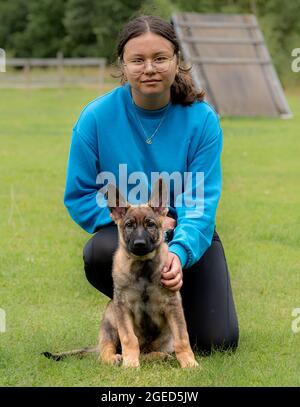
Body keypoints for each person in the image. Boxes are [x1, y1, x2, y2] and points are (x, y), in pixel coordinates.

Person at [64, 15, 239, 353]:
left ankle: (171, 302)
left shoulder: (201, 120)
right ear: (123, 65)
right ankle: (134, 316)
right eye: (138, 60)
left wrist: (179, 249)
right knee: (100, 250)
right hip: (130, 233)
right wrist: (124, 218)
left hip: (186, 232)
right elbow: (80, 194)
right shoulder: (95, 118)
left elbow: (200, 201)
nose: (149, 68)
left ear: (177, 60)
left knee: (218, 341)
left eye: (160, 58)